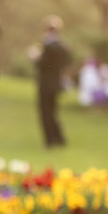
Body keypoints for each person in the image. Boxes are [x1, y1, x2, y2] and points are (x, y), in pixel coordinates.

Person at [30, 15, 71, 147]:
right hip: (57, 83)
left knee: (46, 112)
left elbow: (44, 65)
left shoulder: (48, 46)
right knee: (53, 112)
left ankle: (50, 140)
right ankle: (59, 138)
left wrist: (35, 58)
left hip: (46, 83)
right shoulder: (63, 46)